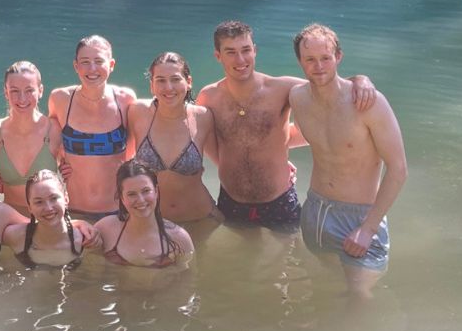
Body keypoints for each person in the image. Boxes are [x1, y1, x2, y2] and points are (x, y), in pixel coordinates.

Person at [196, 21, 375, 231]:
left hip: (278, 201)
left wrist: (360, 80)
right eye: (231, 52)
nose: (240, 59)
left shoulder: (283, 89)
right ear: (218, 56)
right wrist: (228, 165)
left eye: (246, 50)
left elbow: (329, 86)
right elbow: (207, 139)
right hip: (232, 200)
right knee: (237, 258)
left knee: (290, 258)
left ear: (255, 51)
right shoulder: (209, 96)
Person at [289, 24, 407, 297]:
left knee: (359, 297)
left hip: (360, 218)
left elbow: (399, 170)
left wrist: (368, 229)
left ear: (338, 57)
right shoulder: (297, 97)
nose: (318, 66)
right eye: (310, 59)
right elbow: (270, 126)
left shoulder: (368, 103)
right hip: (315, 213)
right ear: (300, 62)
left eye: (326, 58)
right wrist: (278, 160)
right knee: (321, 286)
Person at [47, 35, 137, 221]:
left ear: (111, 65)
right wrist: (60, 165)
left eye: (98, 61)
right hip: (72, 210)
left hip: (117, 211)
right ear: (76, 66)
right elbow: (50, 143)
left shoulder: (125, 99)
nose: (92, 69)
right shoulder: (61, 99)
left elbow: (133, 153)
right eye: (85, 62)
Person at [126, 52, 221, 225]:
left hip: (199, 219)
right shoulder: (137, 112)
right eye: (161, 80)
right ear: (151, 85)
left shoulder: (203, 117)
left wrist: (283, 164)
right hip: (150, 222)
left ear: (189, 82)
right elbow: (118, 157)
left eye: (176, 79)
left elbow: (223, 162)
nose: (168, 87)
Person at [0, 61, 61, 214]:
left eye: (29, 90)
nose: (22, 98)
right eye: (14, 91)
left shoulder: (54, 129)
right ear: (6, 92)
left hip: (48, 218)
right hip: (8, 221)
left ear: (40, 91)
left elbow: (70, 171)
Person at [94, 160, 193, 268]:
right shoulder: (105, 229)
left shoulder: (179, 238)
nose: (141, 200)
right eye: (132, 194)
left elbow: (188, 282)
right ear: (122, 198)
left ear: (156, 191)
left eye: (146, 191)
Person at [3, 169, 91, 269]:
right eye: (39, 202)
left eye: (53, 198)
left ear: (66, 199)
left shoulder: (86, 241)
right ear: (30, 208)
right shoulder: (15, 237)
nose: (48, 208)